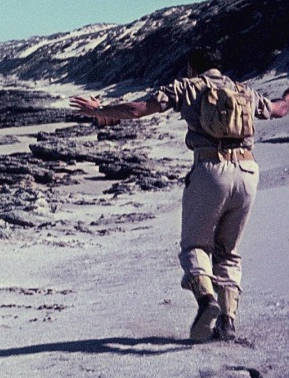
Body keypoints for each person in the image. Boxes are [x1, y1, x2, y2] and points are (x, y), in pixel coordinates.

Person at [71, 47, 289, 342]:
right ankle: (227, 321)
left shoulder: (187, 86)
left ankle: (206, 300)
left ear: (191, 67)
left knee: (195, 245)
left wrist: (99, 110)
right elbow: (279, 110)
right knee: (228, 250)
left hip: (211, 170)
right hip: (249, 172)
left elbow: (137, 110)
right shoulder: (244, 91)